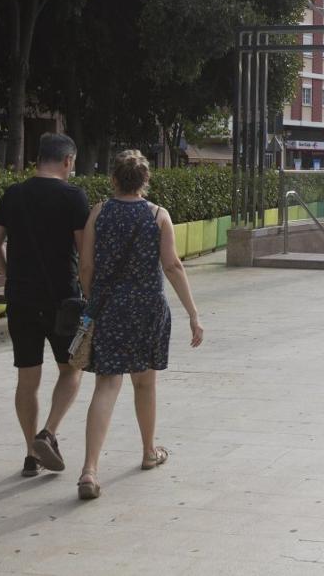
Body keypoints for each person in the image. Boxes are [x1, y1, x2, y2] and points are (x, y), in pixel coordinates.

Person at [75, 151, 204, 500]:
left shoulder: (99, 213)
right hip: (148, 308)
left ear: (114, 179)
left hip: (109, 308)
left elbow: (85, 266)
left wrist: (93, 301)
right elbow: (173, 266)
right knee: (145, 384)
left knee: (106, 386)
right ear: (145, 180)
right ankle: (148, 451)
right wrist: (193, 313)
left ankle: (89, 470)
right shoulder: (158, 216)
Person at [0, 133, 90, 478]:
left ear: (37, 159)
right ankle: (48, 432)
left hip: (21, 298)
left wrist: (10, 273)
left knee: (27, 377)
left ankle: (31, 453)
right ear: (68, 161)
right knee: (71, 369)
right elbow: (83, 252)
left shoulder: (14, 194)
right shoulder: (74, 197)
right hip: (63, 299)